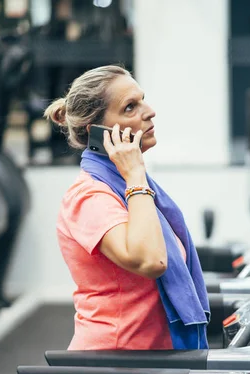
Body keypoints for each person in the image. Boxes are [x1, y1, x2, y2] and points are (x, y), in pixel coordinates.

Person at [45, 65, 210, 351]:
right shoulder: (89, 197)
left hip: (149, 360)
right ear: (96, 132)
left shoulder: (133, 190)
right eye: (130, 107)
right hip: (114, 365)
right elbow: (150, 260)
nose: (149, 112)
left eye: (142, 100)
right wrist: (134, 175)